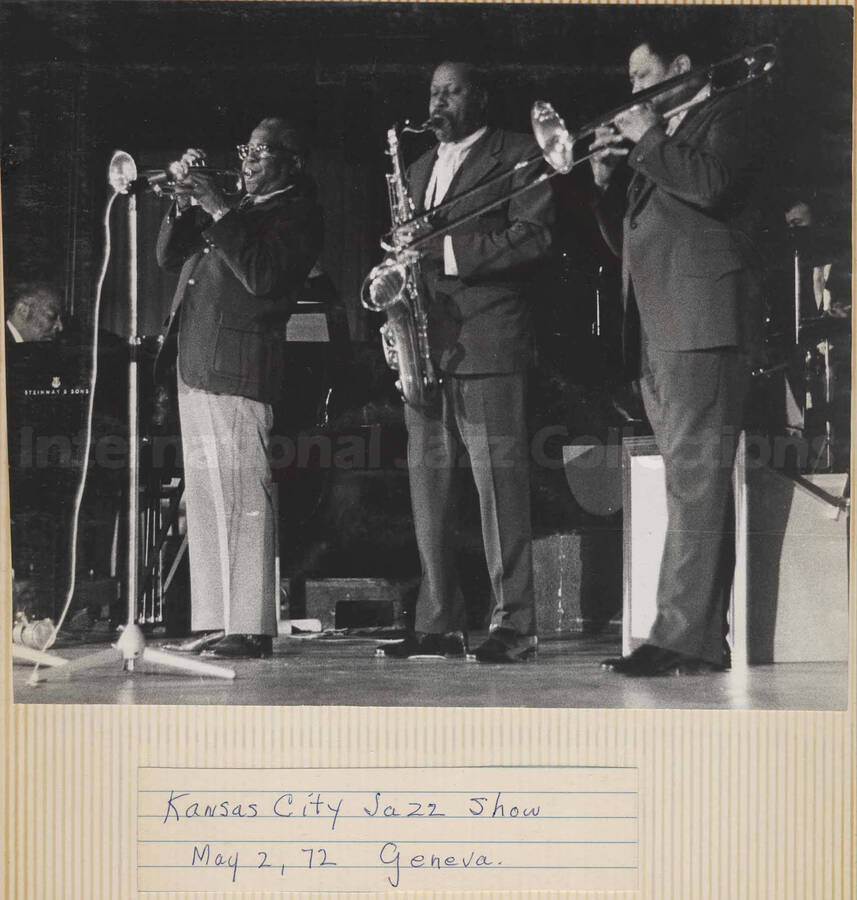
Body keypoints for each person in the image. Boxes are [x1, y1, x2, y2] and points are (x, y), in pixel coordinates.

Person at [590, 34, 765, 676]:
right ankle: (703, 641)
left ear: (684, 70)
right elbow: (630, 242)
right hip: (663, 326)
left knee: (693, 482)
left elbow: (713, 186)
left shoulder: (730, 112)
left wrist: (646, 143)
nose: (634, 93)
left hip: (703, 323)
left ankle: (674, 637)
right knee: (693, 485)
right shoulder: (662, 139)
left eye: (644, 78)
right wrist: (607, 185)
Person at [375, 61, 554, 663]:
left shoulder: (518, 152)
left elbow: (533, 238)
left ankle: (515, 624)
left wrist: (446, 252)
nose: (439, 102)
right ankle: (439, 620)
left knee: (499, 492)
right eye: (432, 91)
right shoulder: (420, 167)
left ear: (479, 98)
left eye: (451, 91)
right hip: (426, 347)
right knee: (429, 495)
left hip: (488, 342)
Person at [156, 117, 323, 659]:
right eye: (245, 151)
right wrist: (185, 203)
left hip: (239, 366)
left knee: (245, 497)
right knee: (205, 499)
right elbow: (166, 257)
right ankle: (215, 618)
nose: (248, 161)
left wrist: (220, 209)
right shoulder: (242, 210)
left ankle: (250, 625)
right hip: (198, 363)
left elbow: (264, 279)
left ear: (292, 163)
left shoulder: (298, 212)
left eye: (262, 152)